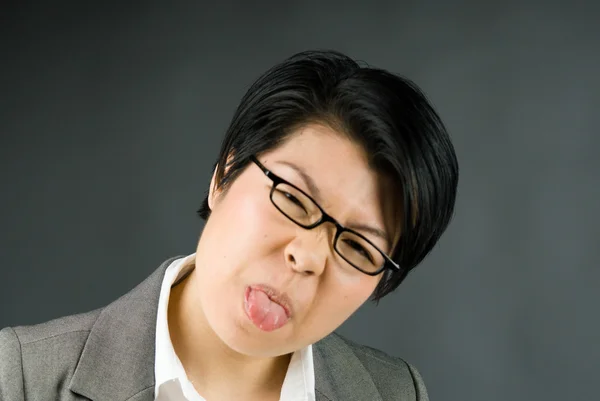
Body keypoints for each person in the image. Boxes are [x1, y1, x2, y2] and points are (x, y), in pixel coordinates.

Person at [0, 50, 458, 401]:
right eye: (293, 198)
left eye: (358, 248)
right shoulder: (23, 376)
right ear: (223, 175)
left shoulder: (394, 391)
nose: (308, 256)